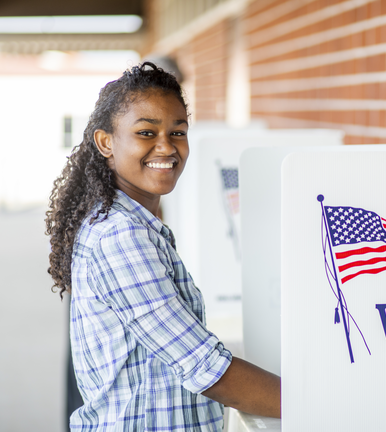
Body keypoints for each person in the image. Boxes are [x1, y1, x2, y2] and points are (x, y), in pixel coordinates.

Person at [45, 62, 280, 431]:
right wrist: (313, 399)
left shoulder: (136, 222)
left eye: (178, 131)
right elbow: (206, 368)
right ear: (106, 142)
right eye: (145, 132)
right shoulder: (120, 236)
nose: (166, 146)